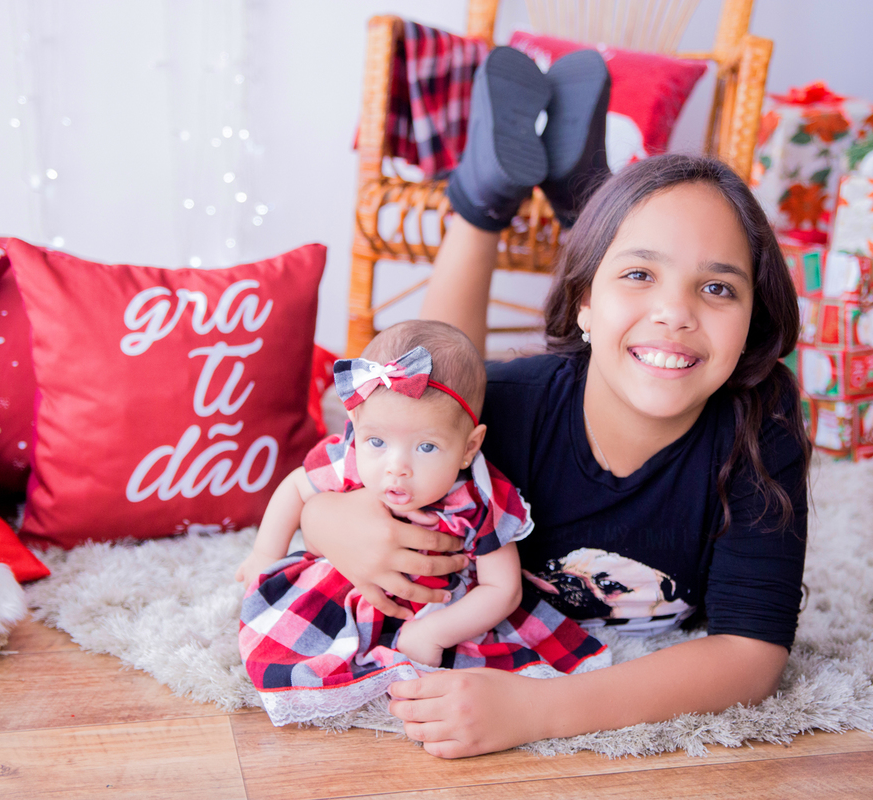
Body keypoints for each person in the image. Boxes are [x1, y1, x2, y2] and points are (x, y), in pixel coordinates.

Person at [305, 46, 810, 757]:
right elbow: (368, 454)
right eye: (639, 275)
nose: (676, 313)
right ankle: (485, 199)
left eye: (719, 288)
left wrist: (544, 710)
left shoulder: (760, 424)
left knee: (621, 278)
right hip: (530, 363)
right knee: (451, 376)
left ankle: (586, 192)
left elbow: (751, 654)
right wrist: (328, 519)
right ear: (580, 306)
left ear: (755, 320)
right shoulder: (513, 406)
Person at [237, 320, 608, 725]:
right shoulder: (349, 457)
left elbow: (504, 589)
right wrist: (263, 553)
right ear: (356, 428)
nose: (397, 468)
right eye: (376, 442)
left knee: (463, 688)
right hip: (347, 586)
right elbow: (295, 487)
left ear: (469, 447)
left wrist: (436, 633)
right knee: (292, 643)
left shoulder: (482, 497)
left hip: (438, 612)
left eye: (427, 446)